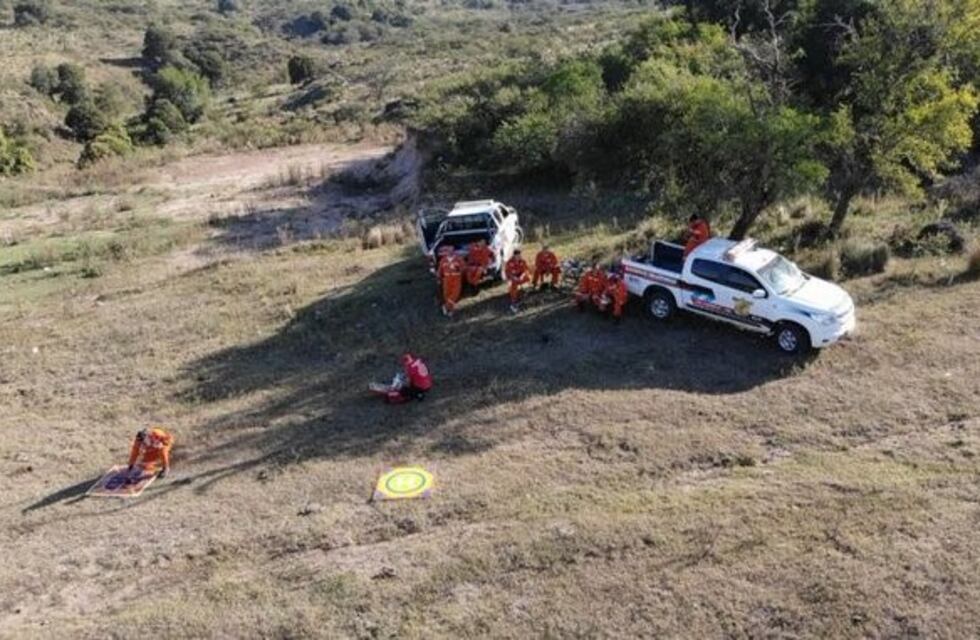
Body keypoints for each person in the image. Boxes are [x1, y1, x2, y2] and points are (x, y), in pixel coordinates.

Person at [438, 249, 465, 317]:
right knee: (446, 294)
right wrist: (439, 278)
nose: (450, 252)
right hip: (446, 279)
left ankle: (446, 307)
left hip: (456, 278)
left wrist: (458, 268)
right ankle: (450, 310)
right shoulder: (443, 260)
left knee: (455, 293)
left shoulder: (458, 259)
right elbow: (440, 271)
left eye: (451, 251)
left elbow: (464, 268)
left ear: (454, 252)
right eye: (448, 251)